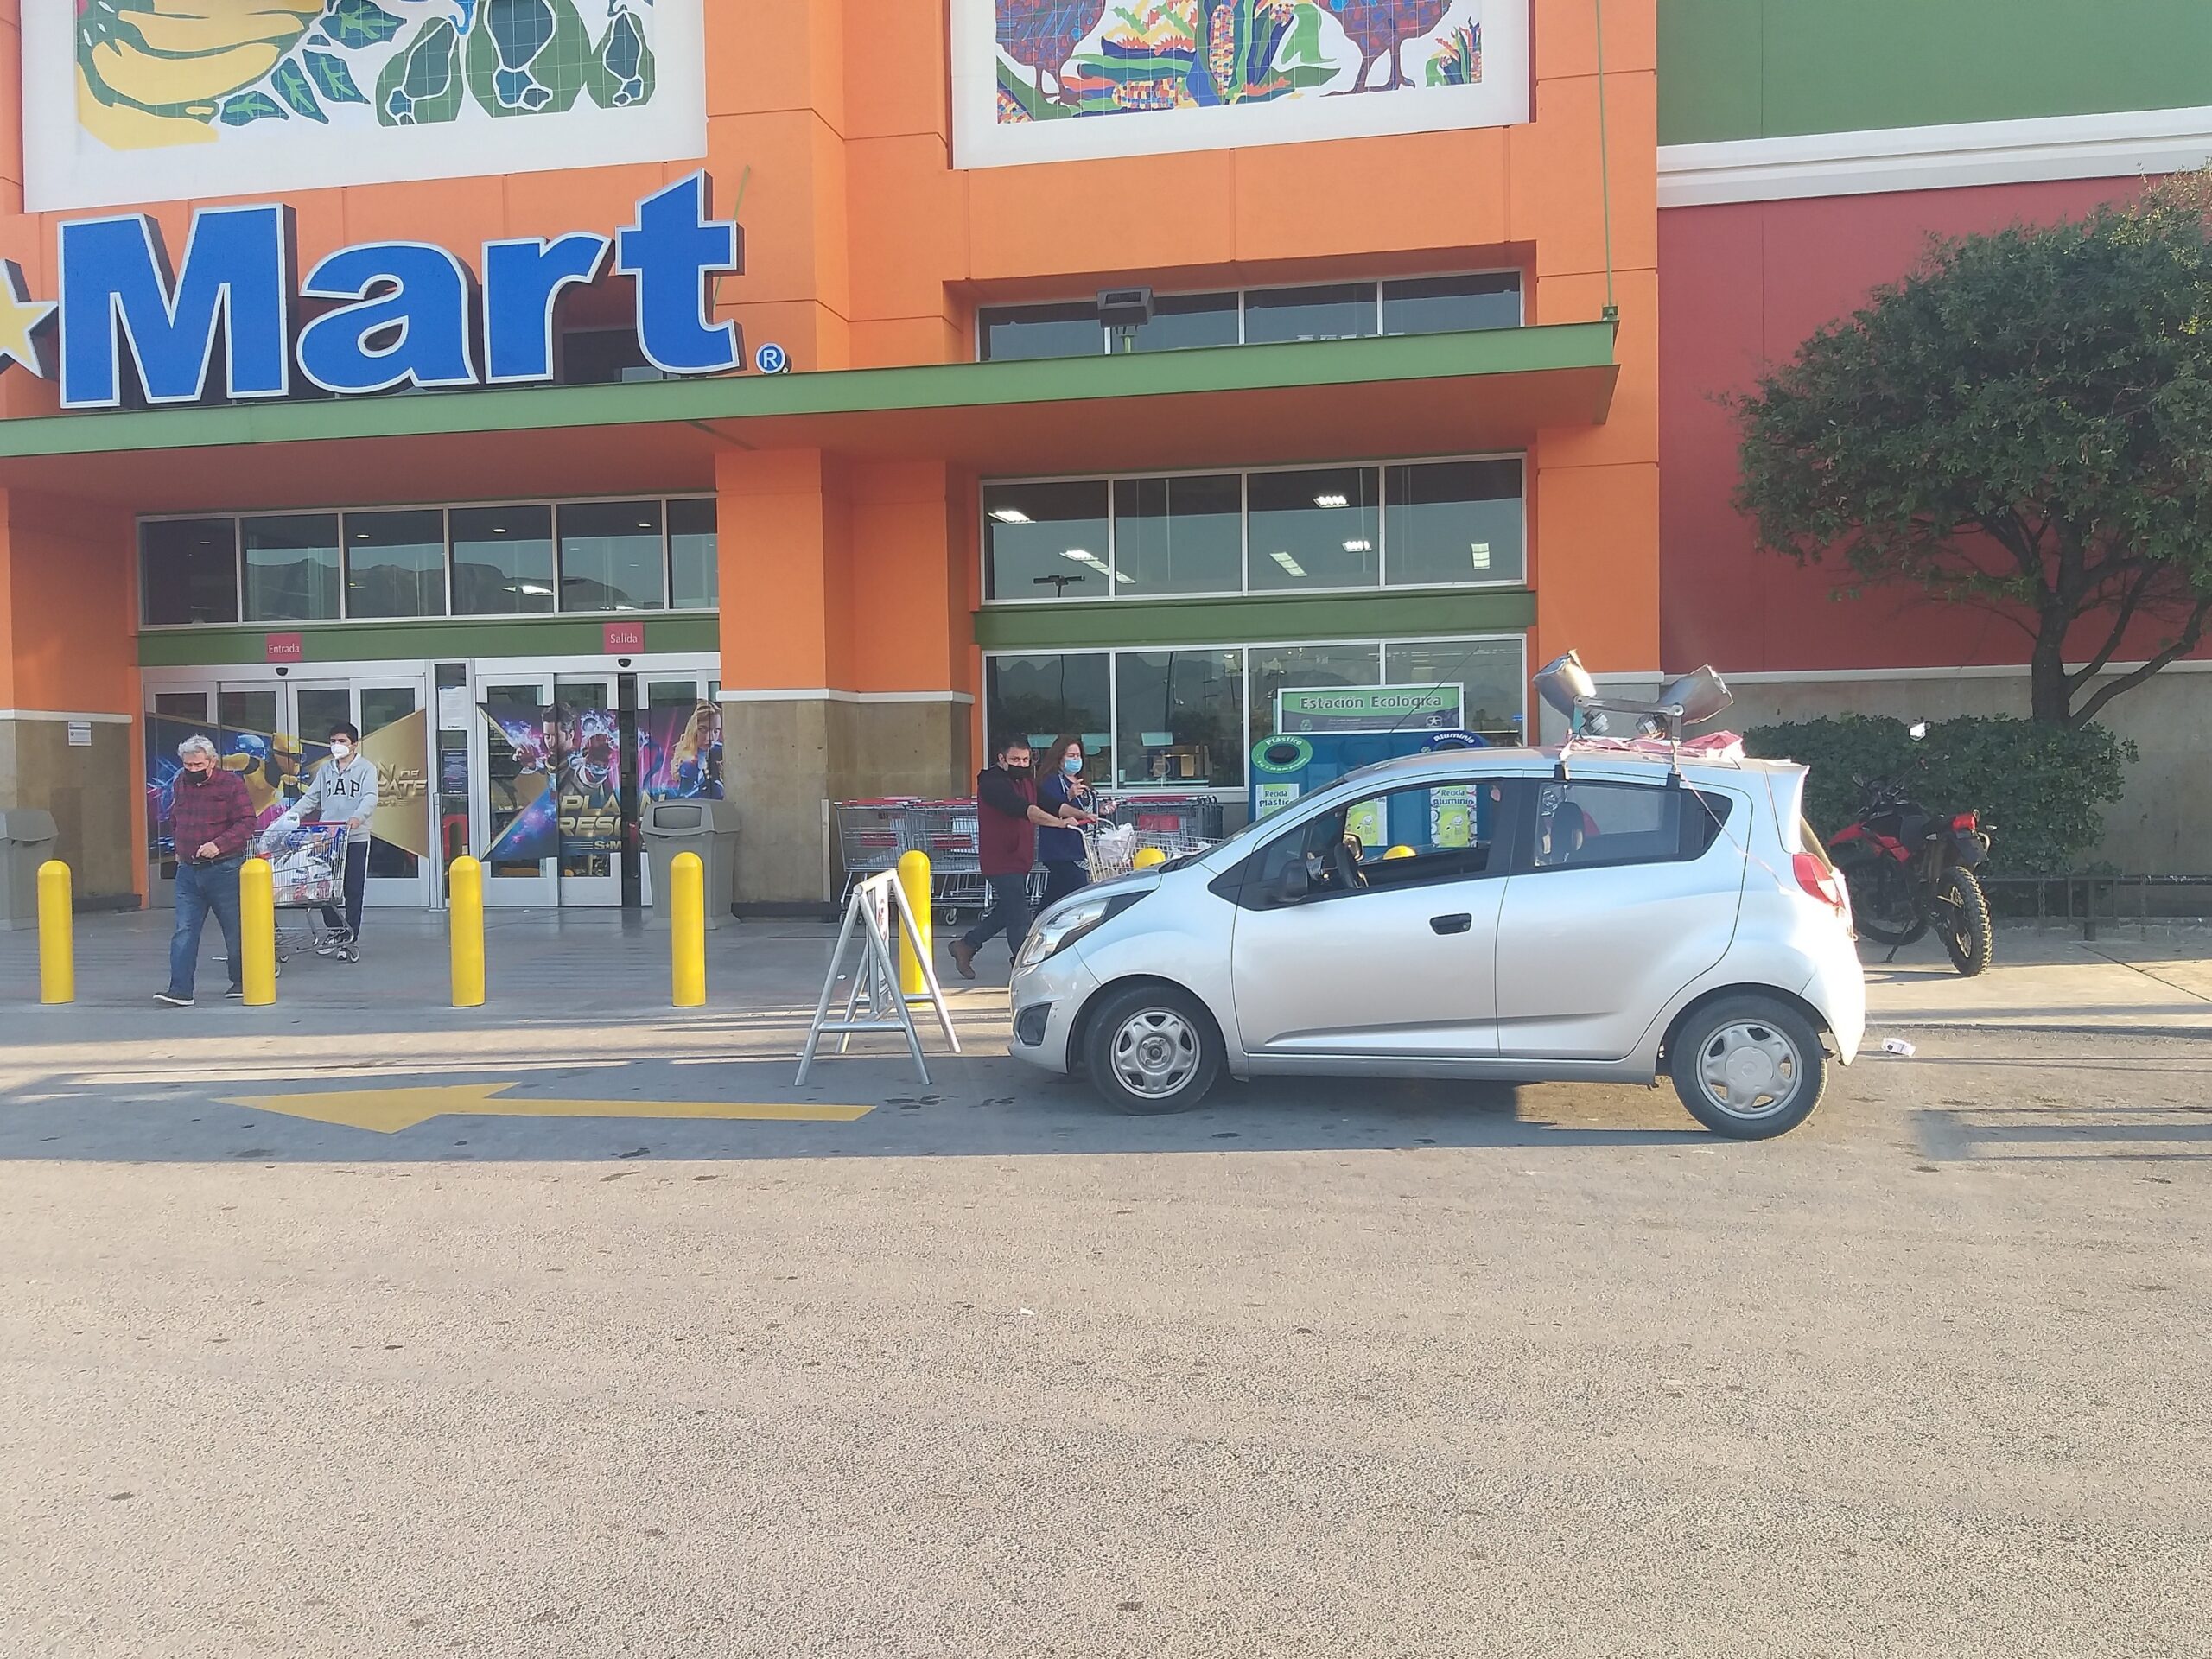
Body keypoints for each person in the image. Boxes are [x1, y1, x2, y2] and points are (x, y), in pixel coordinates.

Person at [948, 735, 1091, 979]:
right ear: (1001, 758)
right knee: (1019, 915)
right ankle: (1025, 967)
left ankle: (967, 945)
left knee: (1008, 908)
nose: (1022, 764)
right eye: (1015, 759)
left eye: (1025, 759)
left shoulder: (1026, 781)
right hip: (1000, 858)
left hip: (1020, 857)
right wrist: (1060, 823)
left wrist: (1082, 814)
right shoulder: (992, 783)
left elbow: (1050, 804)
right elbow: (1028, 810)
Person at [158, 734, 256, 1007]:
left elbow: (247, 821)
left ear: (212, 762)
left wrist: (218, 844)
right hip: (188, 870)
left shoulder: (231, 785)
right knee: (184, 929)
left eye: (198, 765)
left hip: (224, 868)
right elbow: (176, 816)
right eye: (188, 765)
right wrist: (178, 845)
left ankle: (241, 981)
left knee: (234, 929)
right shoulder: (181, 782)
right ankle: (180, 989)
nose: (192, 770)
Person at [270, 721, 380, 950]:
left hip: (354, 837)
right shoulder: (326, 769)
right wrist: (290, 816)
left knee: (352, 889)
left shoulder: (366, 769)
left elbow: (370, 797)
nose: (337, 745)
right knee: (323, 887)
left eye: (342, 741)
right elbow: (311, 798)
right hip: (327, 839)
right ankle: (335, 931)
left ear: (354, 745)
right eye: (333, 741)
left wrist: (357, 817)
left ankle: (349, 938)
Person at [1034, 734, 1098, 912]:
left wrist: (1102, 810)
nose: (1076, 760)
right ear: (1059, 757)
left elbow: (1088, 808)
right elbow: (1051, 807)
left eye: (1078, 756)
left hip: (1081, 848)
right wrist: (1068, 795)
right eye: (1071, 756)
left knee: (1055, 893)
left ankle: (1037, 921)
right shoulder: (1050, 781)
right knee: (1079, 889)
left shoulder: (1082, 781)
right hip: (1060, 849)